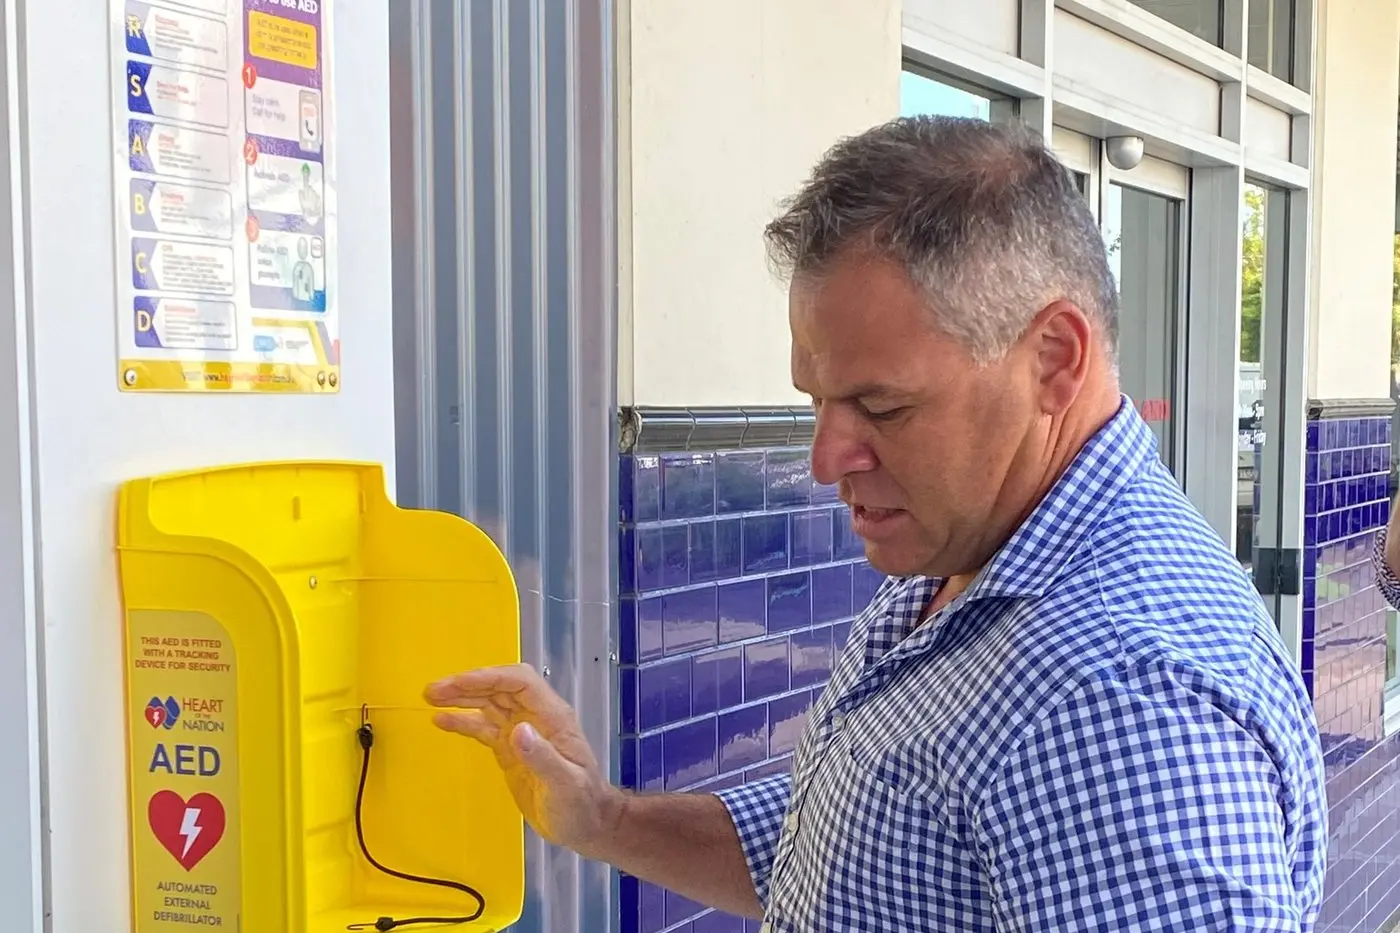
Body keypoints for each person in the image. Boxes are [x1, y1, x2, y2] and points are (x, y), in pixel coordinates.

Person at [424, 116, 1327, 930]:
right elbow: (859, 853)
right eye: (817, 401)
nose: (827, 458)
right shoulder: (977, 560)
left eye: (881, 406)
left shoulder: (1117, 700)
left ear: (1054, 359)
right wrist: (602, 817)